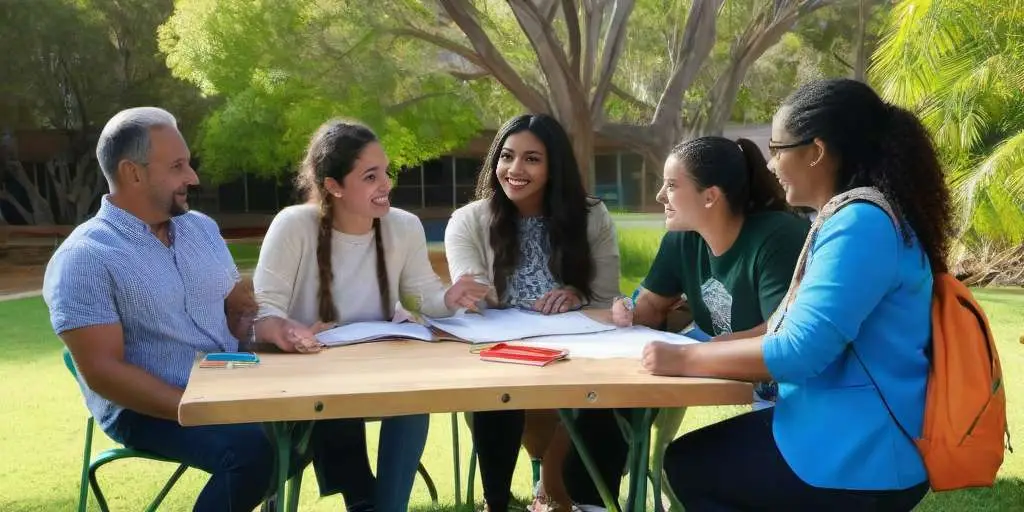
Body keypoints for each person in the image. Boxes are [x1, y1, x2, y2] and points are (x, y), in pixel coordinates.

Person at [644, 78, 947, 510]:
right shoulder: (864, 216)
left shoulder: (861, 223)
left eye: (777, 149)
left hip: (861, 457)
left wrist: (683, 358)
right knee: (691, 461)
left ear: (815, 152)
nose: (769, 165)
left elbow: (797, 352)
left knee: (689, 466)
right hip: (846, 437)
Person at [43, 107, 306, 511]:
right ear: (133, 173)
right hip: (144, 407)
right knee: (254, 450)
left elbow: (238, 313)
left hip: (229, 380)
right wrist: (198, 406)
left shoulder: (201, 228)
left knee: (325, 419)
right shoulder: (85, 257)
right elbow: (103, 372)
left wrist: (269, 328)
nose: (193, 177)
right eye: (178, 166)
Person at [253, 119, 489, 512]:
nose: (386, 185)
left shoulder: (403, 227)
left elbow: (424, 296)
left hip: (379, 372)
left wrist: (449, 297)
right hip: (306, 376)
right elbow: (265, 309)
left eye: (386, 172)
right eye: (370, 176)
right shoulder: (294, 226)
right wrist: (284, 330)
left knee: (413, 400)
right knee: (334, 396)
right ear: (333, 186)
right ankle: (362, 501)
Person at [563, 136, 810, 509]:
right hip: (713, 359)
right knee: (610, 396)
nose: (660, 195)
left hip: (788, 389)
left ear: (710, 196)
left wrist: (698, 352)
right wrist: (629, 310)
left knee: (690, 466)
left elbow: (782, 331)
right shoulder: (683, 239)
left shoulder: (777, 236)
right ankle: (592, 503)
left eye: (672, 185)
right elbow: (651, 304)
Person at [444, 113, 621, 511]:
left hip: (577, 351)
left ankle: (575, 497)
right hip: (505, 350)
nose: (515, 169)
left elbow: (607, 299)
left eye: (532, 159)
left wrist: (577, 294)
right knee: (498, 385)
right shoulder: (468, 221)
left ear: (555, 166)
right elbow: (474, 298)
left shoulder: (591, 215)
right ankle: (496, 502)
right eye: (507, 157)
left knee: (607, 392)